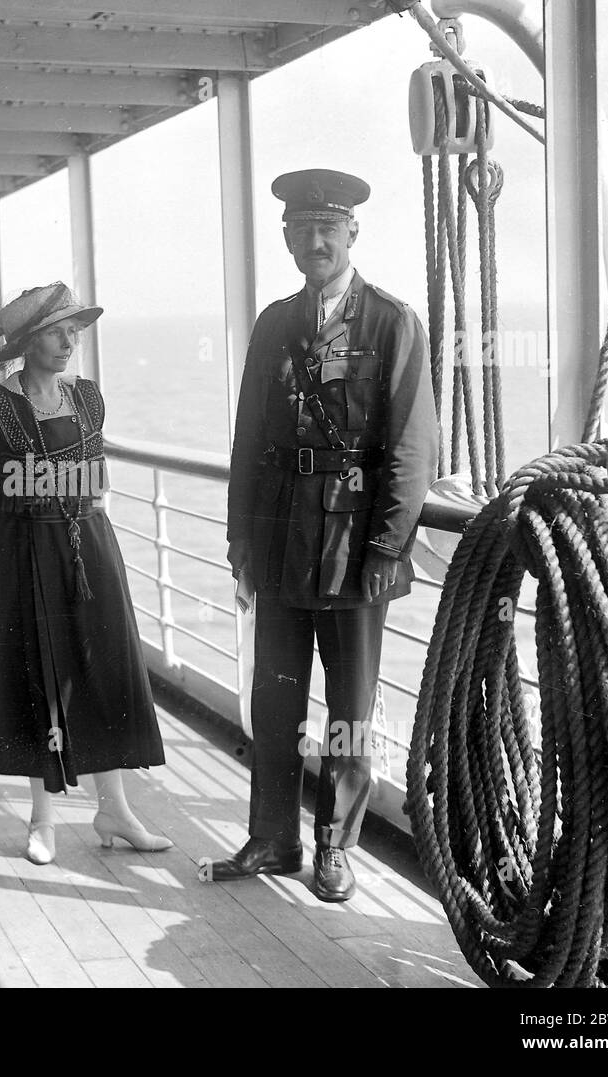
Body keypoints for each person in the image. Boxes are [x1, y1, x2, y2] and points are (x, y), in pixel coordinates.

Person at [215, 169, 438, 900]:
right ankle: (272, 837)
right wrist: (239, 543)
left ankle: (334, 847)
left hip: (352, 550)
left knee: (348, 709)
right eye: (302, 229)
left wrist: (386, 547)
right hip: (279, 541)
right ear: (286, 238)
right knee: (274, 699)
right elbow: (249, 438)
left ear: (352, 235)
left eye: (328, 229)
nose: (315, 240)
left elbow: (412, 449)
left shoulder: (392, 322)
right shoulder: (274, 323)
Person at [0, 282, 171, 865]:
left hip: (90, 548)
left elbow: (95, 473)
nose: (68, 341)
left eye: (74, 330)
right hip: (28, 549)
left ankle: (115, 810)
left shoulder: (88, 397)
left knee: (104, 667)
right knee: (36, 673)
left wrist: (71, 503)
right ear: (27, 341)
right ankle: (43, 818)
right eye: (56, 332)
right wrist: (24, 523)